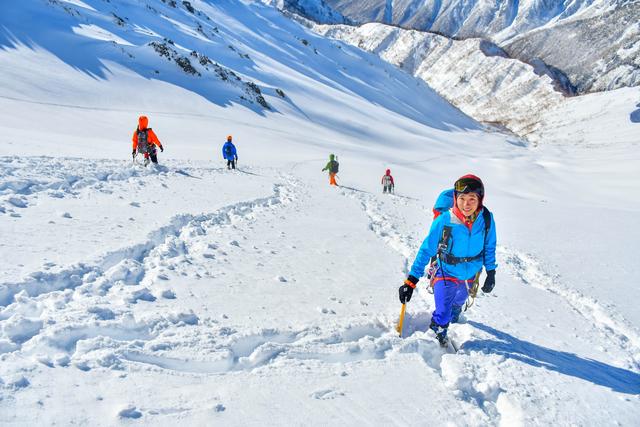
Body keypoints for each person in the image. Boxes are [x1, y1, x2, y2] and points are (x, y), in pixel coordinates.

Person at [398, 174, 497, 346]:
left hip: (470, 274)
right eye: (462, 198)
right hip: (446, 271)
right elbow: (426, 248)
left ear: (480, 199)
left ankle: (455, 311)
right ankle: (438, 335)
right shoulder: (445, 220)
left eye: (472, 198)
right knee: (443, 314)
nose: (467, 204)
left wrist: (491, 272)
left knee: (458, 302)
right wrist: (411, 281)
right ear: (455, 199)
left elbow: (489, 246)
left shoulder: (487, 219)